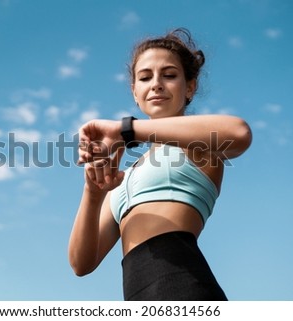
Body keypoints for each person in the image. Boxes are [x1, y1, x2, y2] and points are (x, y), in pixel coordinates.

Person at [68, 28, 252, 301]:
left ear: (190, 86)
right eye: (145, 77)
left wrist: (126, 130)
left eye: (169, 75)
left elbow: (239, 133)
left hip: (182, 286)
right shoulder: (125, 176)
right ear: (135, 91)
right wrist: (93, 194)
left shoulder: (197, 147)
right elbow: (81, 264)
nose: (156, 84)